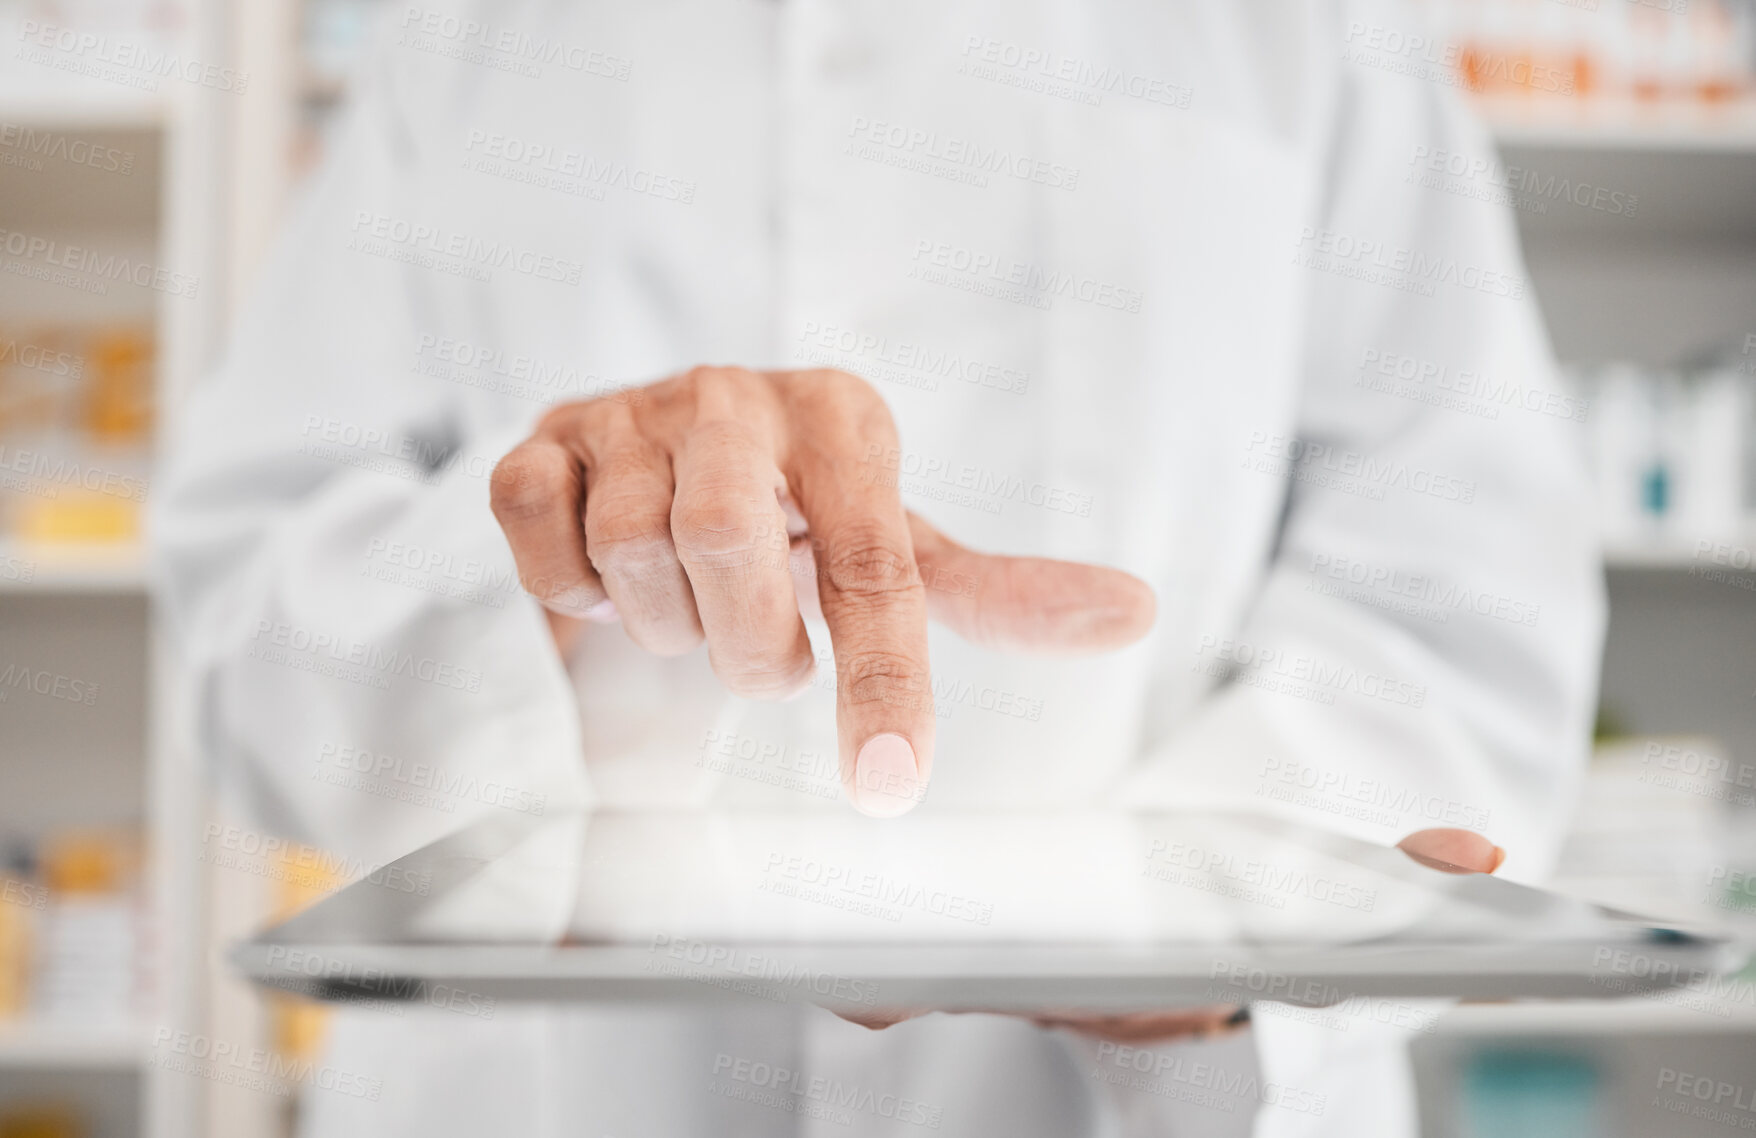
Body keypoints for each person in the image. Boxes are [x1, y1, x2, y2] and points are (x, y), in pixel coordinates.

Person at [153, 0, 1603, 1134]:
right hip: (551, 1089)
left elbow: (1458, 584)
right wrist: (548, 555)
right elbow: (247, 613)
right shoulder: (467, 37)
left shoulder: (1310, 29)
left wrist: (1217, 906)